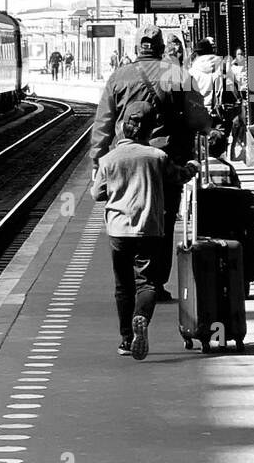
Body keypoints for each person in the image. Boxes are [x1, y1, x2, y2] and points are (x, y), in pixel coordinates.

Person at [91, 25, 213, 300]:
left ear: (137, 48)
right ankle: (154, 284)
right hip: (166, 160)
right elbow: (196, 118)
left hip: (125, 161)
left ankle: (129, 284)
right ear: (161, 48)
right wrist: (207, 129)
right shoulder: (178, 74)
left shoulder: (119, 77)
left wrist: (97, 162)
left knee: (125, 214)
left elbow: (103, 124)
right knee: (163, 220)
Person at [93, 101, 199, 359]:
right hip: (149, 228)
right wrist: (192, 168)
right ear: (151, 130)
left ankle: (126, 339)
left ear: (122, 127)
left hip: (118, 230)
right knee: (148, 283)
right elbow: (179, 176)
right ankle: (141, 316)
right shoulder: (158, 157)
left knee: (123, 286)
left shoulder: (108, 159)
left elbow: (97, 193)